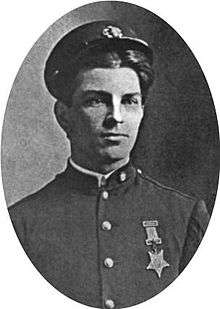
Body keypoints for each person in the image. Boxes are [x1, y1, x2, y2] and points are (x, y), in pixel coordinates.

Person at [8, 20, 210, 309]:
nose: (116, 117)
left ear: (142, 111)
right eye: (97, 101)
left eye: (129, 101)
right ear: (64, 116)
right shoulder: (21, 226)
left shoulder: (185, 215)